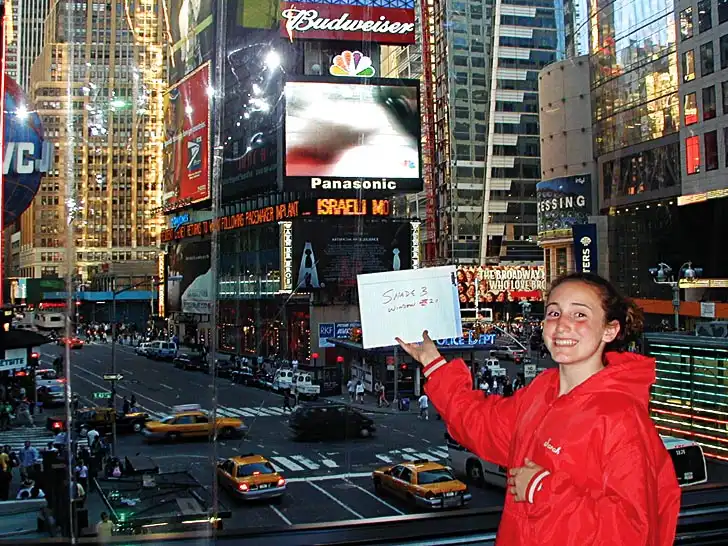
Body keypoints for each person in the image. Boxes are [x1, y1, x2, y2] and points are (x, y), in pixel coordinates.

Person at [396, 272, 681, 545]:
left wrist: (543, 490)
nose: (562, 324)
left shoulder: (621, 418)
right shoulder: (542, 391)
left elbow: (634, 532)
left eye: (579, 314)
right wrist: (433, 363)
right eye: (553, 313)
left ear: (610, 330)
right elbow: (482, 424)